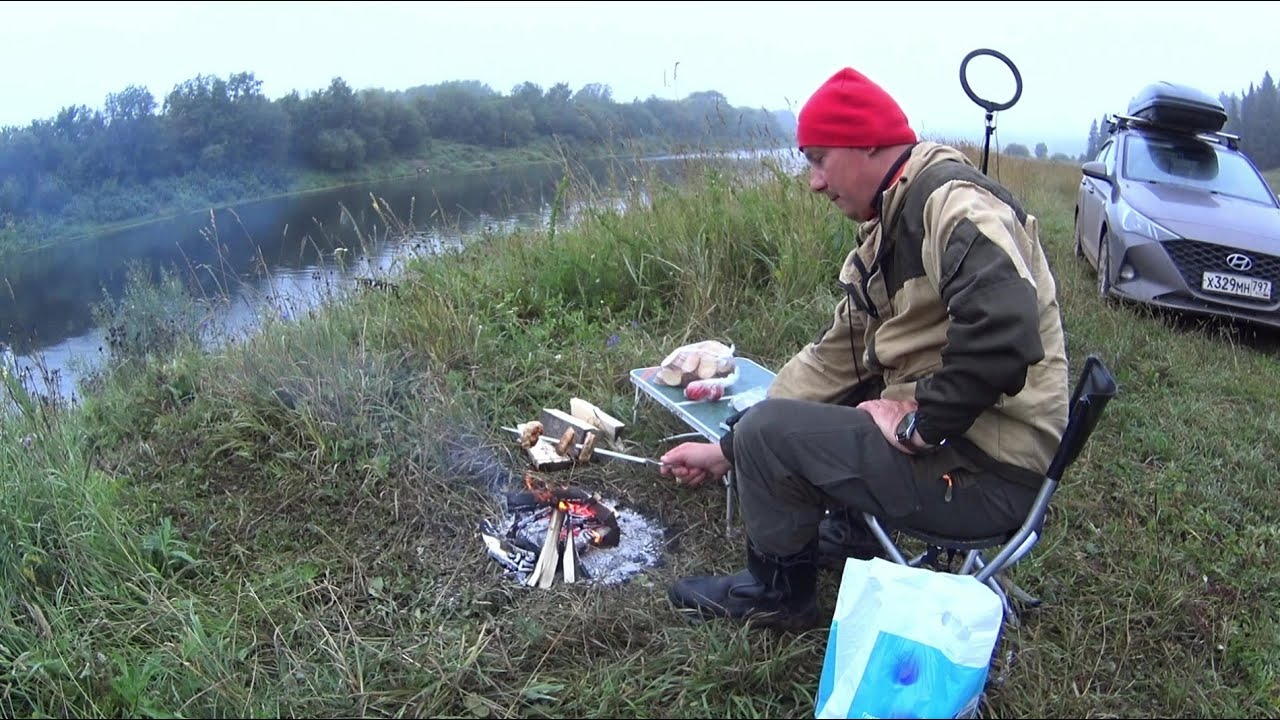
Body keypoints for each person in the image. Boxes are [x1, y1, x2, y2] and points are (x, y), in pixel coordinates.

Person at [658, 66, 1070, 631]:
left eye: (820, 158)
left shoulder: (951, 202)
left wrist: (921, 424)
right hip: (977, 454)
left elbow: (1006, 325)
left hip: (988, 478)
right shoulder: (893, 220)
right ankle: (852, 536)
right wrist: (729, 448)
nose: (814, 182)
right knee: (824, 401)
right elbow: (837, 358)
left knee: (772, 432)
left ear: (869, 142)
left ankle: (778, 595)